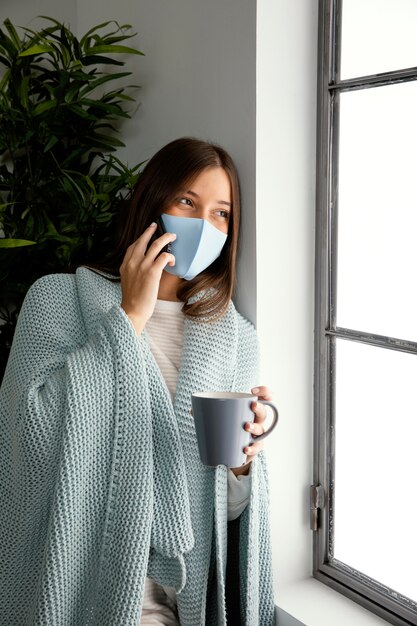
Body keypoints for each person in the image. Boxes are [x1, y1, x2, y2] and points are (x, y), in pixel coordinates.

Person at [0, 137, 276, 625]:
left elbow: (225, 513)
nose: (203, 225)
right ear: (153, 203)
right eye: (187, 202)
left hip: (177, 607)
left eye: (221, 214)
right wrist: (128, 316)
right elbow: (29, 434)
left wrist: (242, 466)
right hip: (78, 589)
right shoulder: (57, 299)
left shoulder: (236, 338)